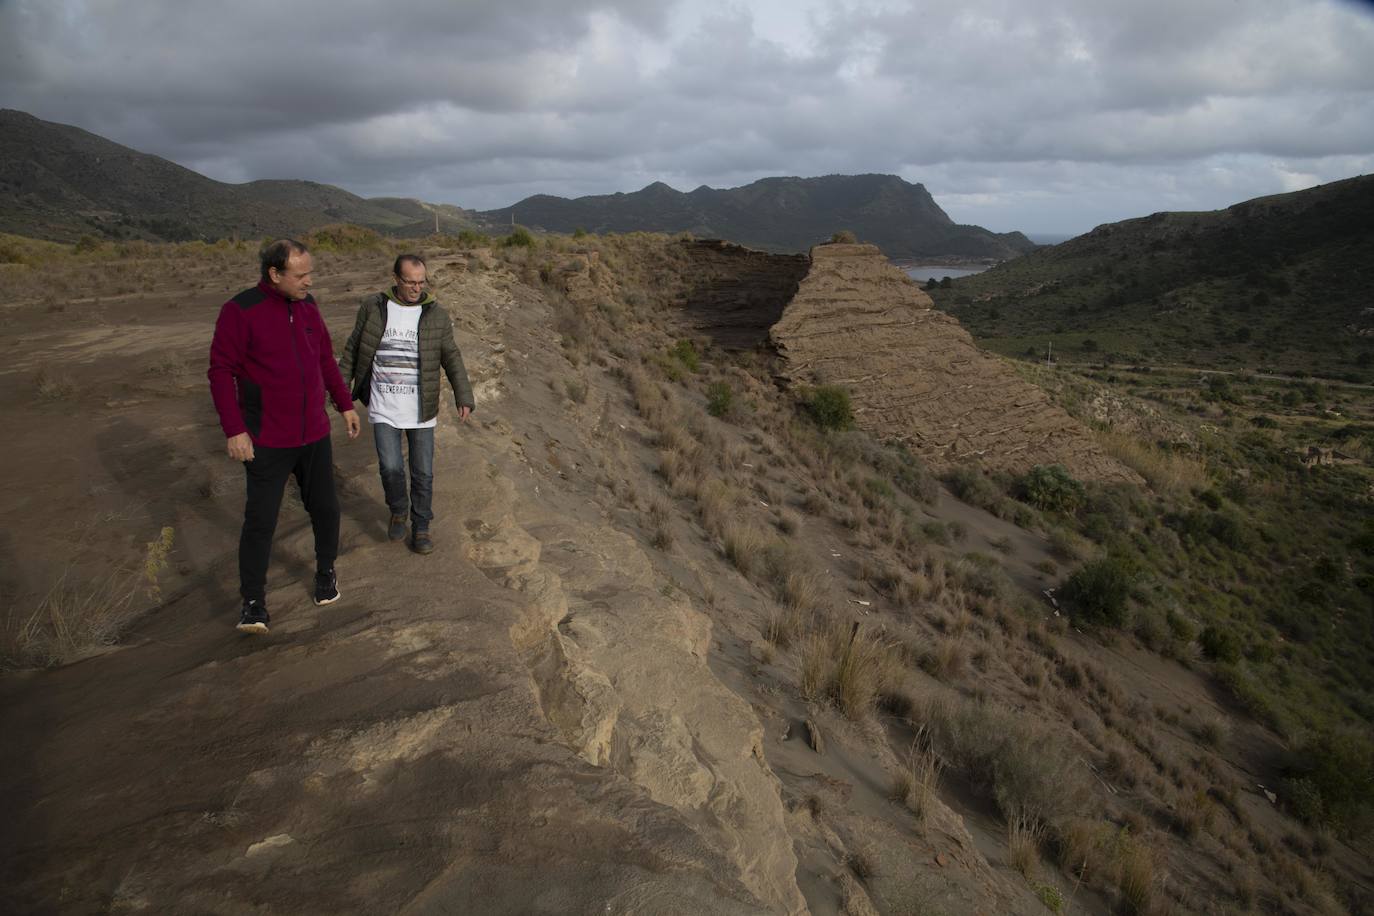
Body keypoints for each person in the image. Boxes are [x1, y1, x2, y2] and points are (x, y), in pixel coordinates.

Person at [208, 239, 360, 635]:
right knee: (260, 522)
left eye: (310, 272)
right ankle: (254, 604)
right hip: (267, 439)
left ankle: (326, 573)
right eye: (301, 274)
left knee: (326, 509)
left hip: (313, 433)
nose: (309, 281)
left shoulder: (308, 307)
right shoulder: (240, 311)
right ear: (274, 274)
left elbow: (325, 359)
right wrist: (235, 429)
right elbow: (220, 371)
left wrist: (344, 405)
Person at [338, 253, 474, 554]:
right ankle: (398, 509)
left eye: (421, 282)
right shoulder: (374, 307)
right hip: (383, 405)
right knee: (390, 468)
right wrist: (338, 392)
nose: (416, 288)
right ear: (396, 279)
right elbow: (353, 349)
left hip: (421, 408)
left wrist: (463, 395)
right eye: (410, 282)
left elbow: (451, 355)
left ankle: (422, 526)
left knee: (423, 472)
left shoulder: (436, 314)